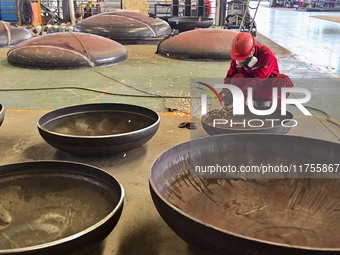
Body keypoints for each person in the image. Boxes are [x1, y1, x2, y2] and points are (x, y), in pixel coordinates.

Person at [223, 32, 294, 108]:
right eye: (238, 59)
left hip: (268, 89)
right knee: (237, 78)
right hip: (249, 91)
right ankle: (240, 109)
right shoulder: (237, 58)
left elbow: (260, 79)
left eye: (243, 58)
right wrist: (225, 93)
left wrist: (240, 92)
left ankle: (277, 111)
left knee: (284, 79)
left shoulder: (266, 54)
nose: (239, 62)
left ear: (252, 51)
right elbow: (229, 77)